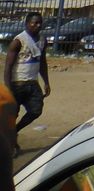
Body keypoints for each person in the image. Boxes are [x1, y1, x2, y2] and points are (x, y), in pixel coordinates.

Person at [3, 13, 51, 157]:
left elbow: (42, 62)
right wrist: (8, 88)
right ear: (27, 23)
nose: (37, 25)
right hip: (18, 83)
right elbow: (8, 66)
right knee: (12, 116)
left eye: (39, 23)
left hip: (33, 83)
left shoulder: (42, 40)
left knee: (36, 110)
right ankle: (11, 144)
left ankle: (15, 132)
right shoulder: (18, 41)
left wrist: (46, 81)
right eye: (34, 23)